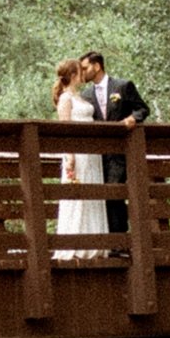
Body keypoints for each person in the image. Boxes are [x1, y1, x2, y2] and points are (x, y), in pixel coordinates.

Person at [81, 51, 151, 235]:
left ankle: (120, 240)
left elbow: (142, 109)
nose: (82, 72)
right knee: (102, 196)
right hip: (97, 154)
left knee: (114, 193)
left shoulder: (122, 86)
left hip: (121, 151)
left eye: (85, 68)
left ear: (97, 66)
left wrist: (132, 119)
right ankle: (110, 240)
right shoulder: (86, 94)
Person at [52, 57, 109, 258]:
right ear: (74, 75)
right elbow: (64, 129)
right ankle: (75, 245)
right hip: (77, 153)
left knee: (93, 193)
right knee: (78, 195)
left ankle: (97, 244)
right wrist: (70, 157)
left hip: (91, 153)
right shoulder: (66, 99)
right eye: (80, 70)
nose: (84, 74)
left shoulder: (81, 97)